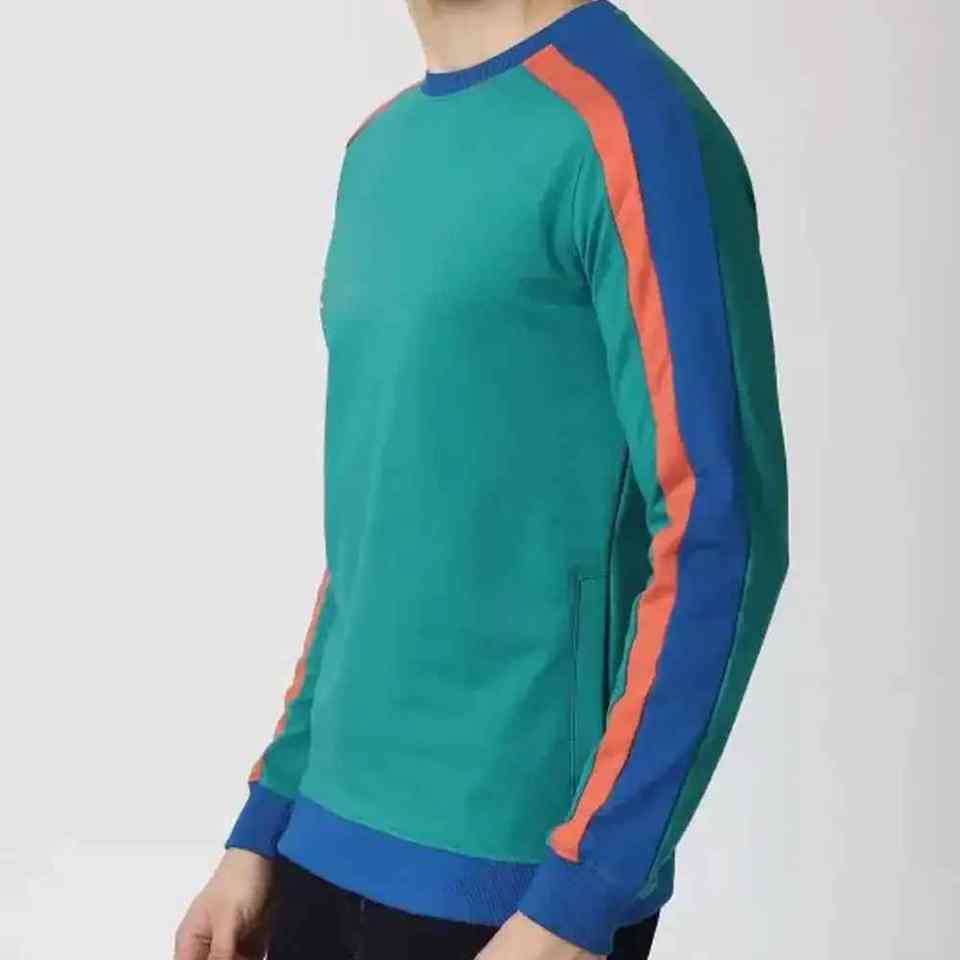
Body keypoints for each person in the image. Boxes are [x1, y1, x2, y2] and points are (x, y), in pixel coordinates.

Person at [174, 0, 789, 957]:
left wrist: (585, 892)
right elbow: (372, 530)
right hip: (315, 848)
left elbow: (721, 532)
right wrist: (266, 818)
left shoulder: (635, 125)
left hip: (513, 888)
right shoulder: (378, 152)